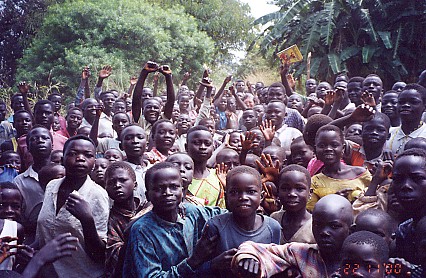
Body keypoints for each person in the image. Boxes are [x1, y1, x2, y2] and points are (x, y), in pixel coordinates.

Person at [122, 162, 223, 277]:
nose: (168, 193)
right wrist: (194, 260)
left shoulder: (191, 212)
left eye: (174, 187)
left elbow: (227, 215)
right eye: (159, 188)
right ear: (148, 195)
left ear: (182, 189)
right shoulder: (142, 230)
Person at [36, 135, 109, 277]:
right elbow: (46, 231)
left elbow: (99, 255)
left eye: (88, 155)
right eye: (73, 154)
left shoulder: (98, 195)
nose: (80, 158)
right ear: (62, 160)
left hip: (82, 274)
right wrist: (31, 250)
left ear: (94, 163)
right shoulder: (51, 186)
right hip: (48, 273)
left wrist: (87, 220)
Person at [231, 194, 354, 277]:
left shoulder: (360, 261)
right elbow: (254, 248)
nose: (324, 232)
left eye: (334, 226)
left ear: (351, 229)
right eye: (318, 225)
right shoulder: (302, 253)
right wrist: (249, 257)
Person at [201, 166, 281, 277]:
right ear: (226, 196)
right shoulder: (216, 226)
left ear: (262, 196)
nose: (243, 197)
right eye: (234, 192)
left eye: (251, 191)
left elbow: (276, 266)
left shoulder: (273, 227)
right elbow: (197, 269)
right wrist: (214, 264)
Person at [307, 125, 372, 211]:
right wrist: (332, 201)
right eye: (322, 146)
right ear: (316, 150)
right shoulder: (314, 182)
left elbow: (375, 199)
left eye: (334, 145)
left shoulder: (361, 174)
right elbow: (312, 212)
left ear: (343, 148)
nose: (328, 149)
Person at [104, 162, 144, 278]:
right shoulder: (110, 218)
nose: (117, 185)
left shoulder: (149, 207)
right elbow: (114, 254)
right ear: (105, 187)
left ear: (135, 185)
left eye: (123, 180)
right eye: (111, 182)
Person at [13, 126, 53, 244]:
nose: (40, 140)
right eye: (34, 139)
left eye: (45, 138)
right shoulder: (19, 181)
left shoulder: (65, 175)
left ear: (52, 145)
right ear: (28, 148)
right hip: (32, 240)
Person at [270, 165, 315, 244]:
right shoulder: (274, 219)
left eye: (299, 189)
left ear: (310, 193)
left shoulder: (315, 226)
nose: (292, 194)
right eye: (285, 189)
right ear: (278, 191)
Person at [186, 126, 224, 207]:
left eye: (207, 144)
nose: (203, 147)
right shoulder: (180, 177)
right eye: (197, 143)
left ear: (213, 148)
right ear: (186, 147)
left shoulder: (218, 175)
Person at [386, 84, 426, 157]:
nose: (406, 105)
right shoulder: (388, 133)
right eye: (401, 102)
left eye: (413, 102)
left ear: (424, 106)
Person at [119, 125, 147, 203]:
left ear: (147, 144)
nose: (135, 141)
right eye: (128, 138)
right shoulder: (119, 172)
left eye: (140, 137)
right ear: (121, 146)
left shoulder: (154, 169)